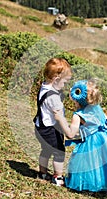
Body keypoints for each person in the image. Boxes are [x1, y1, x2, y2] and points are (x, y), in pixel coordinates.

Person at [33, 57, 72, 186]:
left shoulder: (45, 86)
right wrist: (68, 130)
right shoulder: (53, 97)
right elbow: (58, 116)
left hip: (40, 126)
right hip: (49, 129)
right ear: (56, 79)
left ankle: (42, 172)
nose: (66, 85)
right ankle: (58, 177)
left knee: (46, 149)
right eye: (65, 82)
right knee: (59, 151)